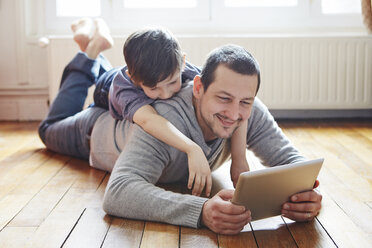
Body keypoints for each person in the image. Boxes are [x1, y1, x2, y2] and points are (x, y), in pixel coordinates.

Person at [38, 23, 322, 235]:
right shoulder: (163, 119)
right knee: (48, 130)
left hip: (133, 97)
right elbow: (119, 192)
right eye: (223, 99)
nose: (234, 114)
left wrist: (305, 195)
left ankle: (97, 64)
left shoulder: (244, 108)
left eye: (244, 102)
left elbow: (292, 160)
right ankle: (88, 58)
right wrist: (201, 210)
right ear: (198, 88)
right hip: (93, 132)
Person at [92, 25, 250, 197]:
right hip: (105, 86)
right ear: (134, 79)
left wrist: (239, 158)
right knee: (96, 80)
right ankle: (92, 56)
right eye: (154, 88)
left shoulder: (187, 70)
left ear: (183, 62)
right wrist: (192, 148)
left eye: (172, 82)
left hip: (142, 70)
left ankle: (97, 54)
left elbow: (236, 101)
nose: (166, 95)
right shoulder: (124, 88)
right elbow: (148, 120)